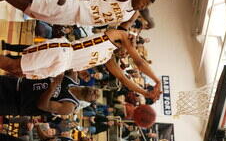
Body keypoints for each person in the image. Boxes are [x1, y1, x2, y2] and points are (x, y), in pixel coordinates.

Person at [0, 29, 161, 100]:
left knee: (17, 73)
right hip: (62, 52)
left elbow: (124, 79)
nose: (127, 54)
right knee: (14, 66)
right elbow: (139, 62)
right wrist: (157, 81)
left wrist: (145, 93)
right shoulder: (116, 34)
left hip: (61, 67)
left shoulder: (108, 58)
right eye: (129, 50)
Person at [0, 0, 156, 27]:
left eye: (147, 6)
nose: (144, 7)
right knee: (37, 0)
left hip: (73, 19)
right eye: (146, 2)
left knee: (30, 10)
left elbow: (139, 16)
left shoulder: (131, 14)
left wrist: (150, 21)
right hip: (75, 5)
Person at [0, 71, 100, 116]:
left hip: (16, 103)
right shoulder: (72, 77)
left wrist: (52, 88)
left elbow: (42, 105)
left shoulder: (69, 107)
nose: (94, 92)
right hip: (17, 84)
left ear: (88, 101)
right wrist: (81, 67)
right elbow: (69, 58)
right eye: (95, 90)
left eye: (95, 95)